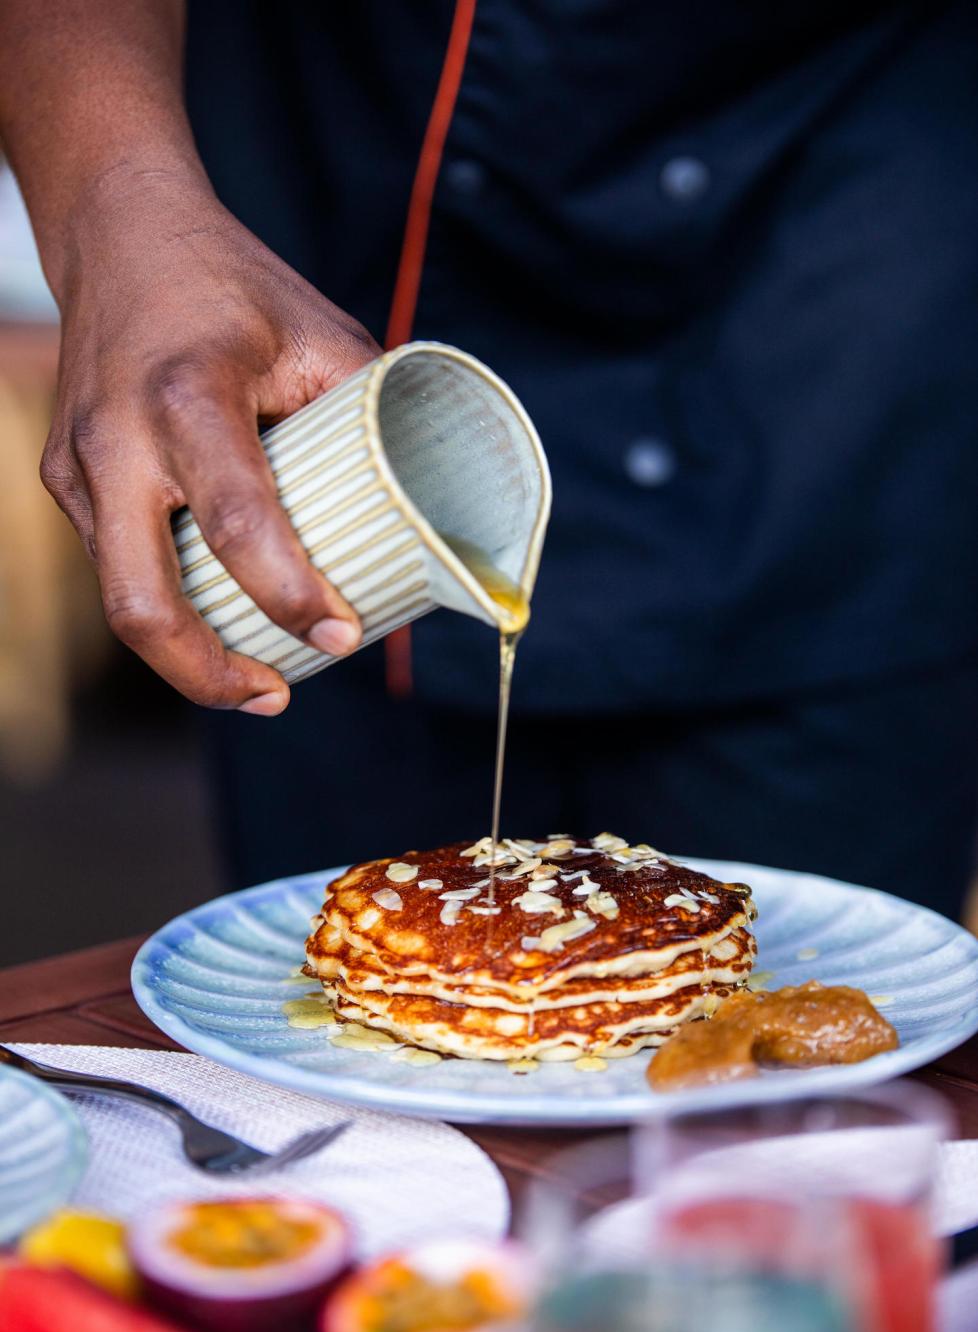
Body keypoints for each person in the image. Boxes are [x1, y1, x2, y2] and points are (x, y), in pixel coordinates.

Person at [1, 2, 977, 916]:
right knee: (355, 1046)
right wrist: (115, 202)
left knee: (813, 1049)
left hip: (840, 333)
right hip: (329, 263)